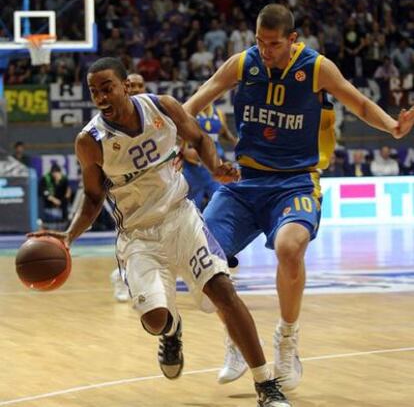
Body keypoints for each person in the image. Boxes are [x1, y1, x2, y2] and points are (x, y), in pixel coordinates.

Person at [29, 57, 290, 407]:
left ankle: (266, 384)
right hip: (138, 236)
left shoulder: (162, 107)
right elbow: (93, 196)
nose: (101, 97)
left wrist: (215, 168)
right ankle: (170, 330)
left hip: (182, 217)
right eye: (94, 92)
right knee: (154, 320)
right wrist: (69, 236)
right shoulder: (90, 141)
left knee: (223, 291)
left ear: (125, 85)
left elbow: (198, 137)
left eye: (107, 88)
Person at [184, 4, 414, 390]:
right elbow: (200, 96)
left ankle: (286, 341)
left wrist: (392, 126)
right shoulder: (243, 63)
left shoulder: (316, 67)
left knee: (291, 248)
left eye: (273, 43)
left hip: (295, 181)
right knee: (205, 262)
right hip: (245, 179)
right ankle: (238, 338)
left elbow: (357, 102)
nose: (265, 50)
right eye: (259, 41)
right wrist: (176, 131)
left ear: (292, 39)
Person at [110, 72, 147, 302]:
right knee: (129, 235)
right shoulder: (113, 116)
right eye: (130, 85)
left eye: (139, 85)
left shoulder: (156, 111)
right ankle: (121, 276)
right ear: (124, 88)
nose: (134, 89)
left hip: (154, 183)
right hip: (124, 185)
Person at [183, 103, 237, 210]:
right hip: (194, 169)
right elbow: (180, 142)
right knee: (192, 208)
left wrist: (235, 142)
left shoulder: (219, 114)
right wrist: (186, 152)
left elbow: (224, 132)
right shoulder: (189, 113)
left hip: (215, 168)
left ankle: (216, 225)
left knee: (221, 203)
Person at [39, 163, 72, 229]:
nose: (55, 175)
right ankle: (44, 223)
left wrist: (65, 197)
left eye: (57, 173)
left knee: (66, 203)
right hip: (49, 201)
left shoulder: (64, 179)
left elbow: (68, 191)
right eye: (54, 173)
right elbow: (44, 192)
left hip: (60, 200)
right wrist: (54, 200)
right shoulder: (45, 178)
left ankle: (66, 222)